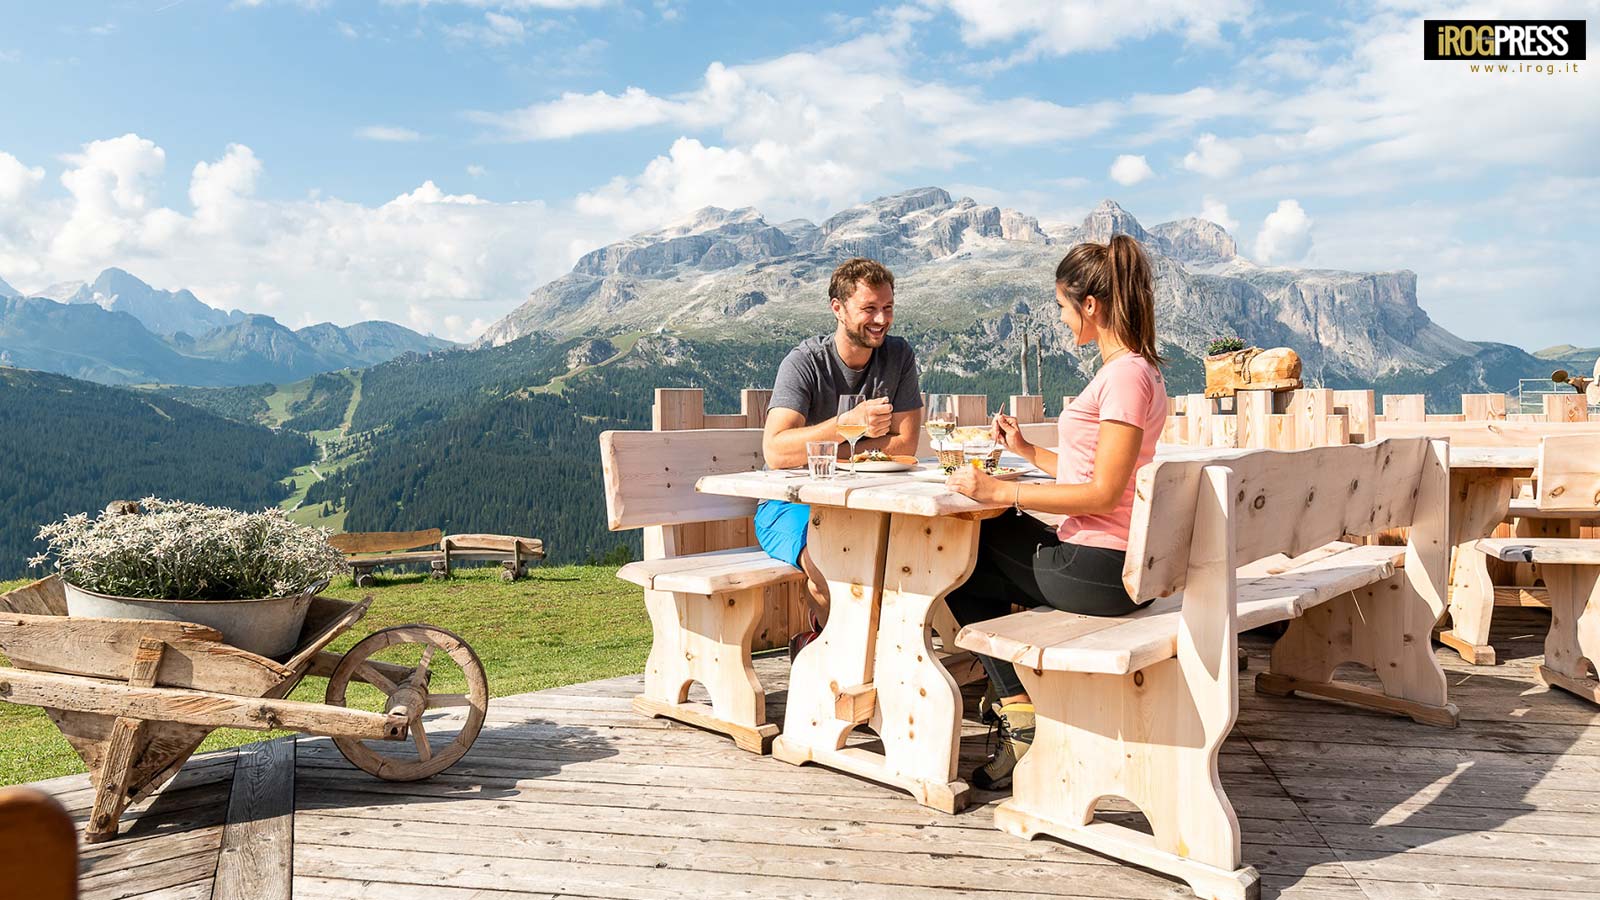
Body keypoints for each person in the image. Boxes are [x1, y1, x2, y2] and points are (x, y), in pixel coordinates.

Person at [943, 233, 1168, 790]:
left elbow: (1100, 495)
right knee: (985, 546)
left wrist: (1001, 493)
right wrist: (1026, 454)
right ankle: (1018, 701)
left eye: (1065, 308)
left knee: (955, 550)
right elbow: (1095, 472)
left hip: (1100, 570)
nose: (1064, 320)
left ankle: (1019, 712)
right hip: (1115, 562)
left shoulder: (1123, 375)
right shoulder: (1140, 371)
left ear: (1090, 306)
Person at [758, 258, 924, 655]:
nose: (881, 319)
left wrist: (840, 450)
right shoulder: (805, 363)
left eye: (888, 308)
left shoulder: (898, 356)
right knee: (829, 561)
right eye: (869, 308)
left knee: (921, 552)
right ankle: (846, 661)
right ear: (838, 308)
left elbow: (905, 445)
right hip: (788, 505)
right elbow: (776, 450)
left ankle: (859, 655)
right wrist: (847, 424)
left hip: (866, 503)